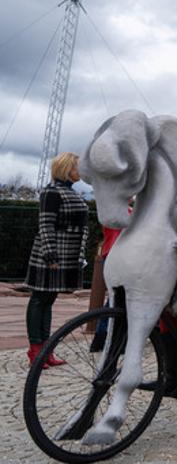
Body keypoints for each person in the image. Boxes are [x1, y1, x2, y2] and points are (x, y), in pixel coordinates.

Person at [24, 152, 88, 368]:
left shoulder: (72, 192)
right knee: (39, 299)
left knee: (48, 300)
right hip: (51, 253)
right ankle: (35, 350)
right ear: (67, 168)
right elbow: (46, 224)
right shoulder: (51, 192)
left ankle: (46, 350)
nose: (80, 170)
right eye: (77, 167)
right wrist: (50, 254)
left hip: (67, 252)